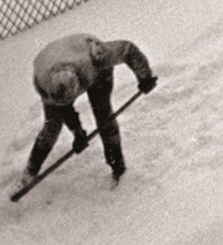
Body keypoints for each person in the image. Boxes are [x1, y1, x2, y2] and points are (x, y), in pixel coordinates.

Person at [23, 33, 156, 186]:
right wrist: (78, 132)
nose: (67, 104)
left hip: (96, 72)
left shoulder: (96, 58)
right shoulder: (43, 83)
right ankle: (30, 172)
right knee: (52, 126)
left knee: (103, 115)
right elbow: (63, 109)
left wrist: (145, 77)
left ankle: (117, 167)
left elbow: (127, 49)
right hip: (53, 58)